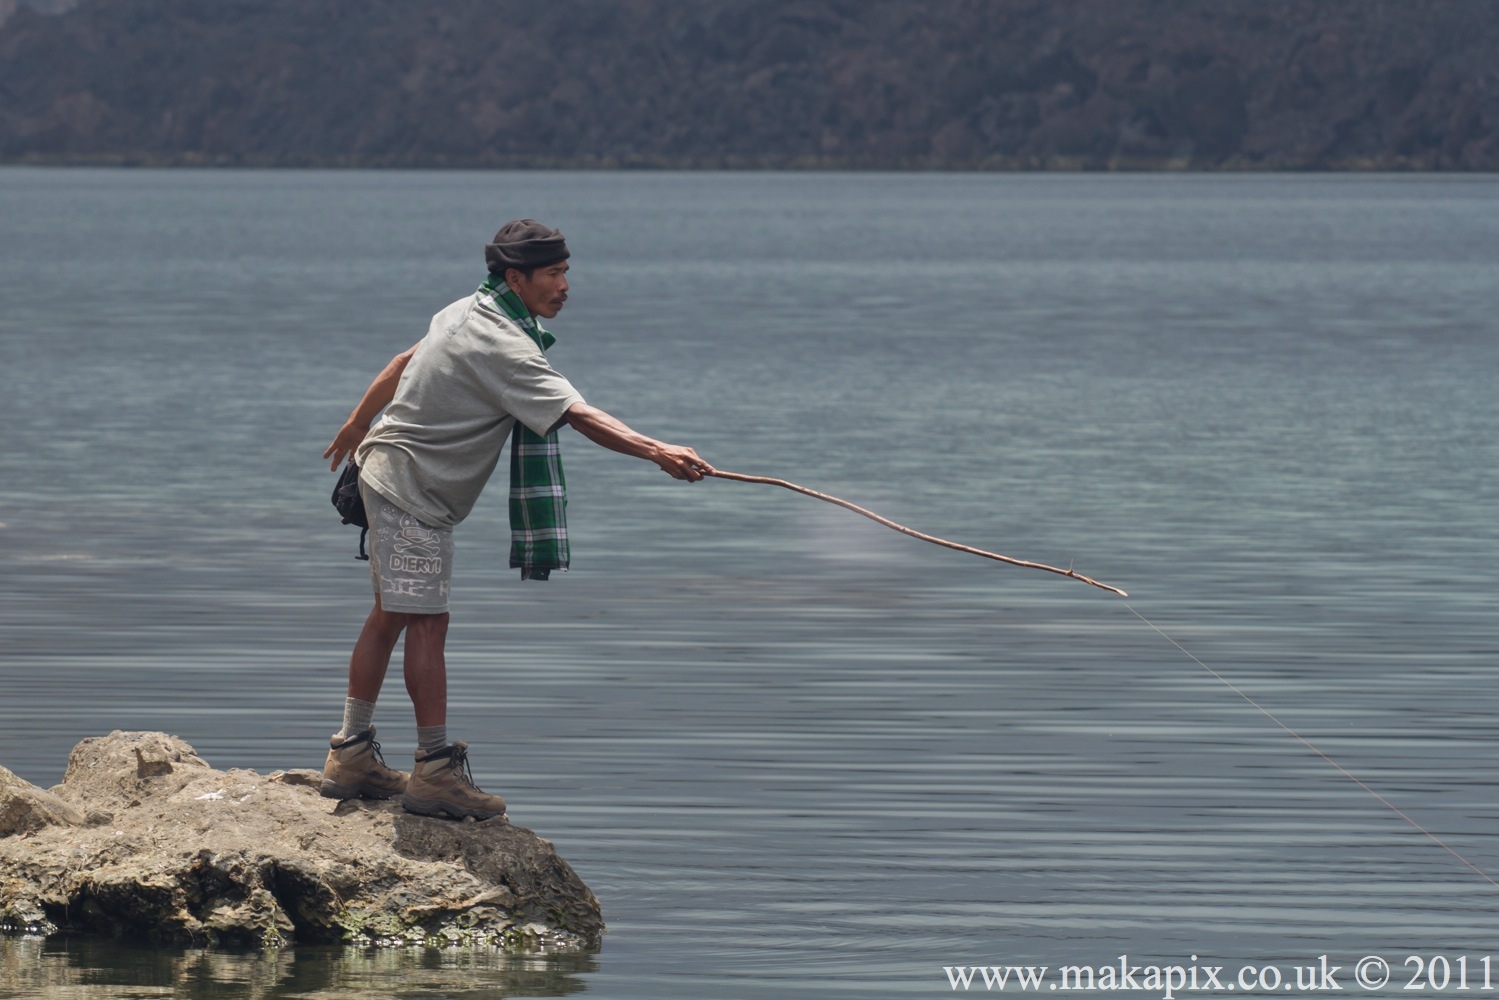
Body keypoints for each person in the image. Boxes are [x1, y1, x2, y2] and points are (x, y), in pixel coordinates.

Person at [318, 219, 712, 821]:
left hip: (391, 475)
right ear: (515, 278)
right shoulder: (504, 345)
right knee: (426, 623)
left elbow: (404, 360)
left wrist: (357, 423)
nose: (565, 286)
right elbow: (579, 415)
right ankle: (434, 772)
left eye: (565, 272)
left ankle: (352, 754)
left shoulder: (466, 309)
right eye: (553, 274)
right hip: (410, 492)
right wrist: (657, 450)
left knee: (393, 615)